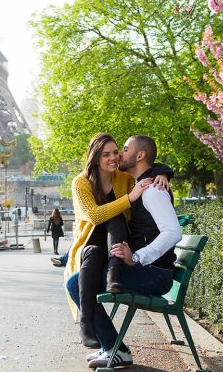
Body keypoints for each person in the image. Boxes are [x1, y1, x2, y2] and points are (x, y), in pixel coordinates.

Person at [64, 133, 172, 354]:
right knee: (91, 255)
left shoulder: (123, 177)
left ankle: (113, 347)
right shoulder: (81, 183)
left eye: (117, 152)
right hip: (92, 245)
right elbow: (93, 216)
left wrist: (163, 173)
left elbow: (145, 164)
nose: (115, 157)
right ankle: (89, 325)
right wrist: (129, 198)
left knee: (116, 218)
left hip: (119, 244)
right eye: (107, 154)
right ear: (95, 157)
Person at [86, 135, 182, 369]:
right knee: (80, 281)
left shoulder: (152, 190)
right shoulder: (142, 184)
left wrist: (137, 257)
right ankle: (113, 347)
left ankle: (115, 349)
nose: (119, 155)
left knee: (78, 284)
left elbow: (173, 233)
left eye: (124, 149)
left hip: (155, 274)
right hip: (148, 270)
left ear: (139, 156)